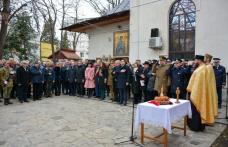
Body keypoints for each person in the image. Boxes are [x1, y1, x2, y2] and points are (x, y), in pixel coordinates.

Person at [187, 55, 217, 132]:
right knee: (198, 110)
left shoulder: (201, 69)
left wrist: (193, 91)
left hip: (196, 93)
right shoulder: (202, 68)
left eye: (195, 60)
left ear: (199, 60)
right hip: (198, 92)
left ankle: (195, 127)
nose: (194, 61)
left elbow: (198, 83)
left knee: (196, 111)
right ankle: (200, 127)